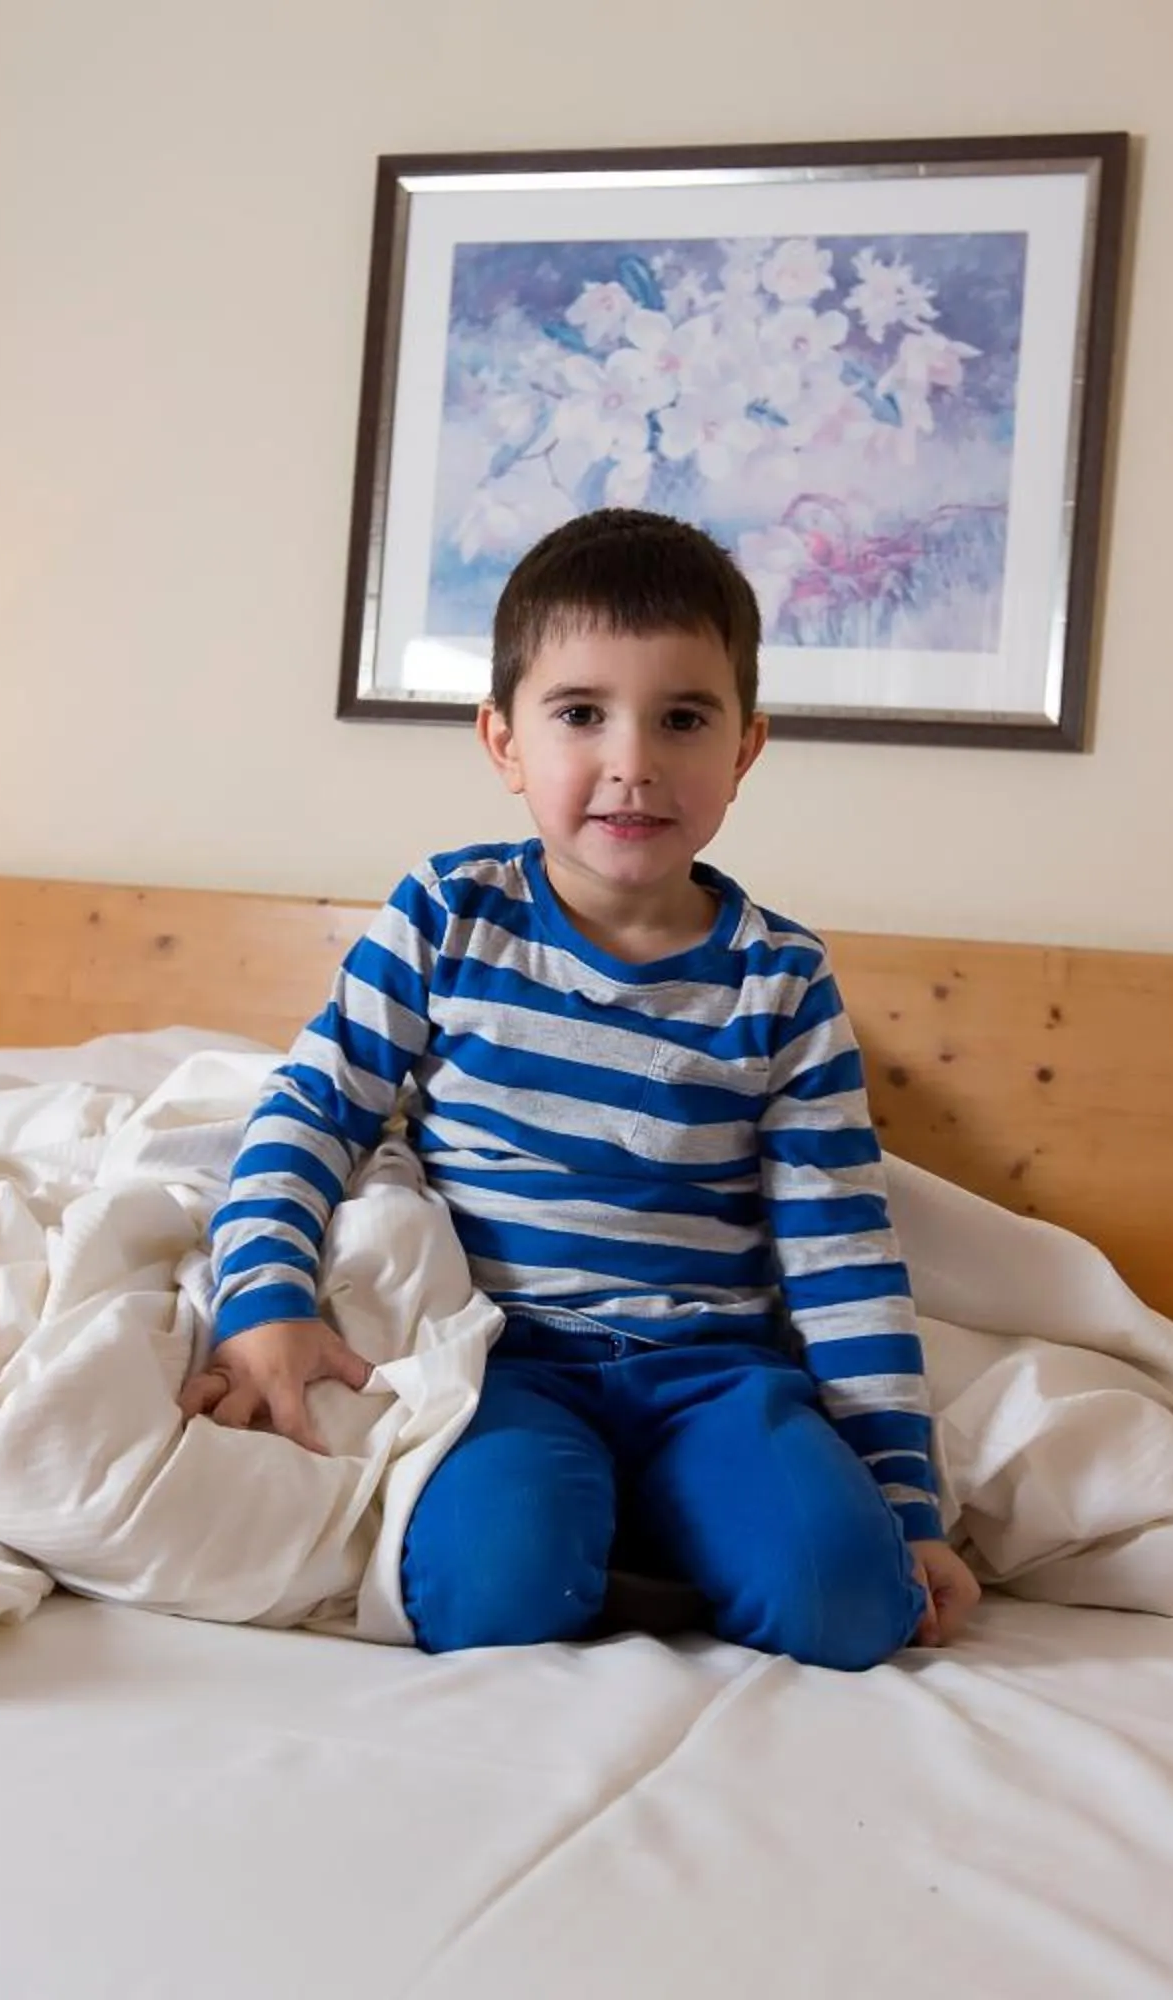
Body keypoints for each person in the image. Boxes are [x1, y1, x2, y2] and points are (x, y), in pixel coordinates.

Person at [180, 508, 978, 1668]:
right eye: (580, 714)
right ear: (504, 742)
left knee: (851, 1607)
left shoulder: (781, 978)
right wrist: (266, 1298)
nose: (634, 761)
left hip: (712, 1369)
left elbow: (842, 1253)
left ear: (745, 748)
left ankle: (692, 1512)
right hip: (510, 1356)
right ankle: (604, 1521)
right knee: (487, 1596)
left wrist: (906, 1503)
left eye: (684, 718)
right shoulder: (448, 916)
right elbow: (313, 1112)